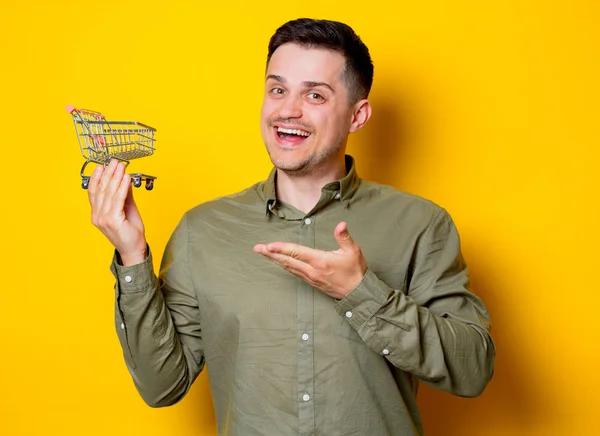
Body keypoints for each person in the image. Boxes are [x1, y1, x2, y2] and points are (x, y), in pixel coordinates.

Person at [87, 18, 495, 436]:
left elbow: (473, 369)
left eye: (314, 94)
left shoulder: (421, 224)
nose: (288, 110)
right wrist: (132, 256)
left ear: (358, 116)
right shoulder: (202, 230)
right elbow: (162, 386)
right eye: (277, 89)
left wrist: (363, 293)